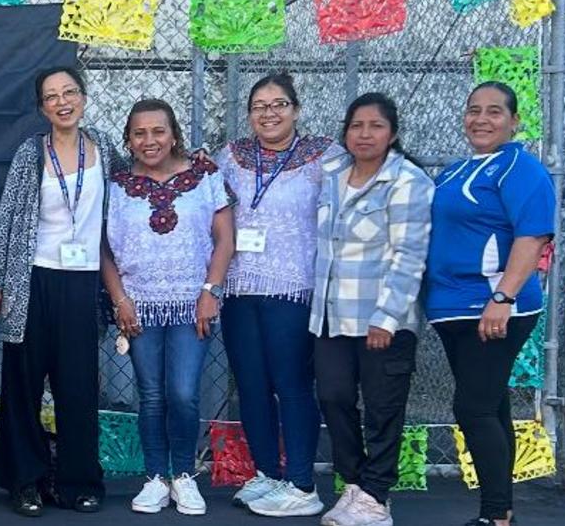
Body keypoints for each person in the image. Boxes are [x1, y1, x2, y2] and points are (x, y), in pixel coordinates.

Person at [0, 66, 125, 516]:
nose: (62, 102)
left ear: (82, 97)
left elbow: (129, 200)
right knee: (23, 383)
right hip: (32, 279)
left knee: (78, 387)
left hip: (84, 283)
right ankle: (26, 480)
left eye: (70, 92)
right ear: (42, 108)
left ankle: (78, 481)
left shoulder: (105, 148)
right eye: (51, 96)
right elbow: (6, 218)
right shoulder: (30, 153)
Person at [425, 82, 555, 526]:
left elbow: (532, 234)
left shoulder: (521, 167)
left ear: (515, 121)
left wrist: (503, 297)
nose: (481, 119)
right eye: (473, 110)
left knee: (473, 408)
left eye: (495, 112)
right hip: (452, 309)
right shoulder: (454, 171)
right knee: (492, 404)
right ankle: (502, 513)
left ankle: (495, 516)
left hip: (493, 308)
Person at [213, 73, 342, 516]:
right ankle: (267, 473)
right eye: (259, 106)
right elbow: (207, 207)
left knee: (291, 384)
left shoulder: (325, 155)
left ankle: (302, 483)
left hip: (293, 286)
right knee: (250, 385)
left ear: (296, 109)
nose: (269, 113)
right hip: (238, 287)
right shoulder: (230, 156)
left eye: (279, 104)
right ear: (249, 114)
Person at [103, 98, 234, 517]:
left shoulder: (204, 175)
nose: (150, 140)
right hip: (139, 307)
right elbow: (103, 249)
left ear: (174, 133)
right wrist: (120, 300)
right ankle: (156, 476)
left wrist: (210, 291)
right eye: (139, 133)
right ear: (128, 139)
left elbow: (225, 238)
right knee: (152, 395)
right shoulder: (116, 185)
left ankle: (184, 475)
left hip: (191, 304)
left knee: (182, 392)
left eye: (158, 131)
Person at [314, 93, 433, 526]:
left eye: (376, 126)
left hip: (382, 320)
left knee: (383, 409)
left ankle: (376, 496)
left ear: (393, 134)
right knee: (332, 396)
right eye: (357, 126)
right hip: (330, 315)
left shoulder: (407, 181)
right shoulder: (331, 174)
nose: (365, 134)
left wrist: (386, 318)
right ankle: (354, 484)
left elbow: (409, 255)